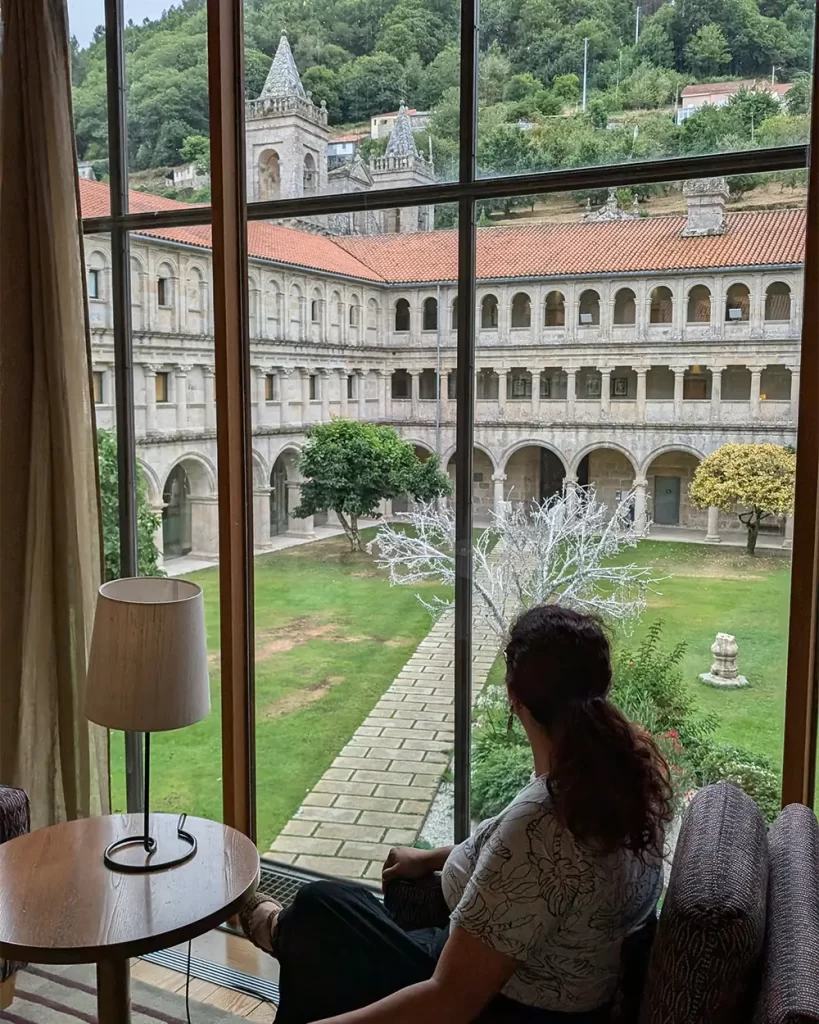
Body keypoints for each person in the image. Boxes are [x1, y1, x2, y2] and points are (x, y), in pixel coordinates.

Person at [241, 604, 673, 1024]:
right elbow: (536, 872)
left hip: (505, 1003)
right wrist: (430, 858)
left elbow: (449, 1002)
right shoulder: (625, 775)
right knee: (336, 907)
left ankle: (275, 930)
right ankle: (280, 929)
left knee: (320, 914)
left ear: (514, 698)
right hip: (521, 971)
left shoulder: (543, 820)